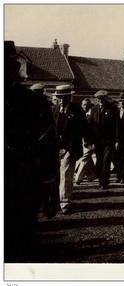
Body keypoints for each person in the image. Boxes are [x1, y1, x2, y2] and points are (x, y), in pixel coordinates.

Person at [5, 41, 59, 262]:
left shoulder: (35, 103)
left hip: (21, 187)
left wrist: (50, 194)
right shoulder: (35, 102)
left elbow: (47, 149)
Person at [52, 84, 89, 213]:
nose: (62, 100)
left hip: (70, 148)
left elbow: (82, 129)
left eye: (64, 98)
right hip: (56, 147)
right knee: (58, 174)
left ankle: (64, 202)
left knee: (66, 174)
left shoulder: (76, 110)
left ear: (69, 97)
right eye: (59, 98)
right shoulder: (54, 110)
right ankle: (59, 199)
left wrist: (67, 148)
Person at [90, 90, 119, 189]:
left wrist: (116, 140)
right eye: (98, 99)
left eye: (102, 98)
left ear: (105, 98)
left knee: (106, 161)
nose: (100, 100)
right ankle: (100, 180)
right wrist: (90, 141)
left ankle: (104, 182)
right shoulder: (94, 109)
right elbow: (90, 125)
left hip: (109, 140)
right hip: (97, 141)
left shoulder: (112, 109)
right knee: (99, 161)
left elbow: (117, 125)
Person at [75, 98, 97, 184]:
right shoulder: (78, 114)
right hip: (80, 140)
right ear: (81, 105)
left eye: (87, 105)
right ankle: (91, 175)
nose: (85, 106)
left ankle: (78, 178)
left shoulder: (92, 115)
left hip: (89, 141)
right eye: (84, 105)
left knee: (84, 158)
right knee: (87, 159)